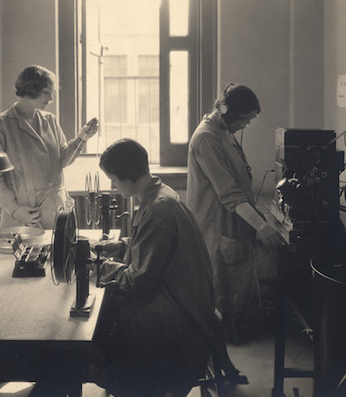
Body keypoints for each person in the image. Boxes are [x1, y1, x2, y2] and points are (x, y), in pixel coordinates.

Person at [88, 138, 221, 396]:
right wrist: (122, 247)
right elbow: (155, 251)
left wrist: (102, 268)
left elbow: (138, 282)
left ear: (129, 176)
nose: (113, 186)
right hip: (187, 305)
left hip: (180, 323)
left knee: (99, 356)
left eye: (114, 180)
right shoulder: (159, 194)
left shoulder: (158, 210)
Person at [187, 82, 282, 343]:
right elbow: (229, 193)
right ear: (227, 111)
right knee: (222, 289)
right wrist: (262, 227)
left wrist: (257, 218)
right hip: (217, 227)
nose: (245, 125)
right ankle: (223, 341)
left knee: (237, 282)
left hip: (233, 223)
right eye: (243, 120)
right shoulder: (207, 138)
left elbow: (239, 181)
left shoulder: (223, 131)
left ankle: (234, 332)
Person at [0, 64, 98, 229]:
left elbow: (62, 161)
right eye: (47, 93)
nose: (51, 99)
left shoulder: (50, 120)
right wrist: (15, 210)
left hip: (57, 209)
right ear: (30, 89)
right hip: (26, 214)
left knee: (60, 252)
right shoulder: (1, 124)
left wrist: (83, 137)